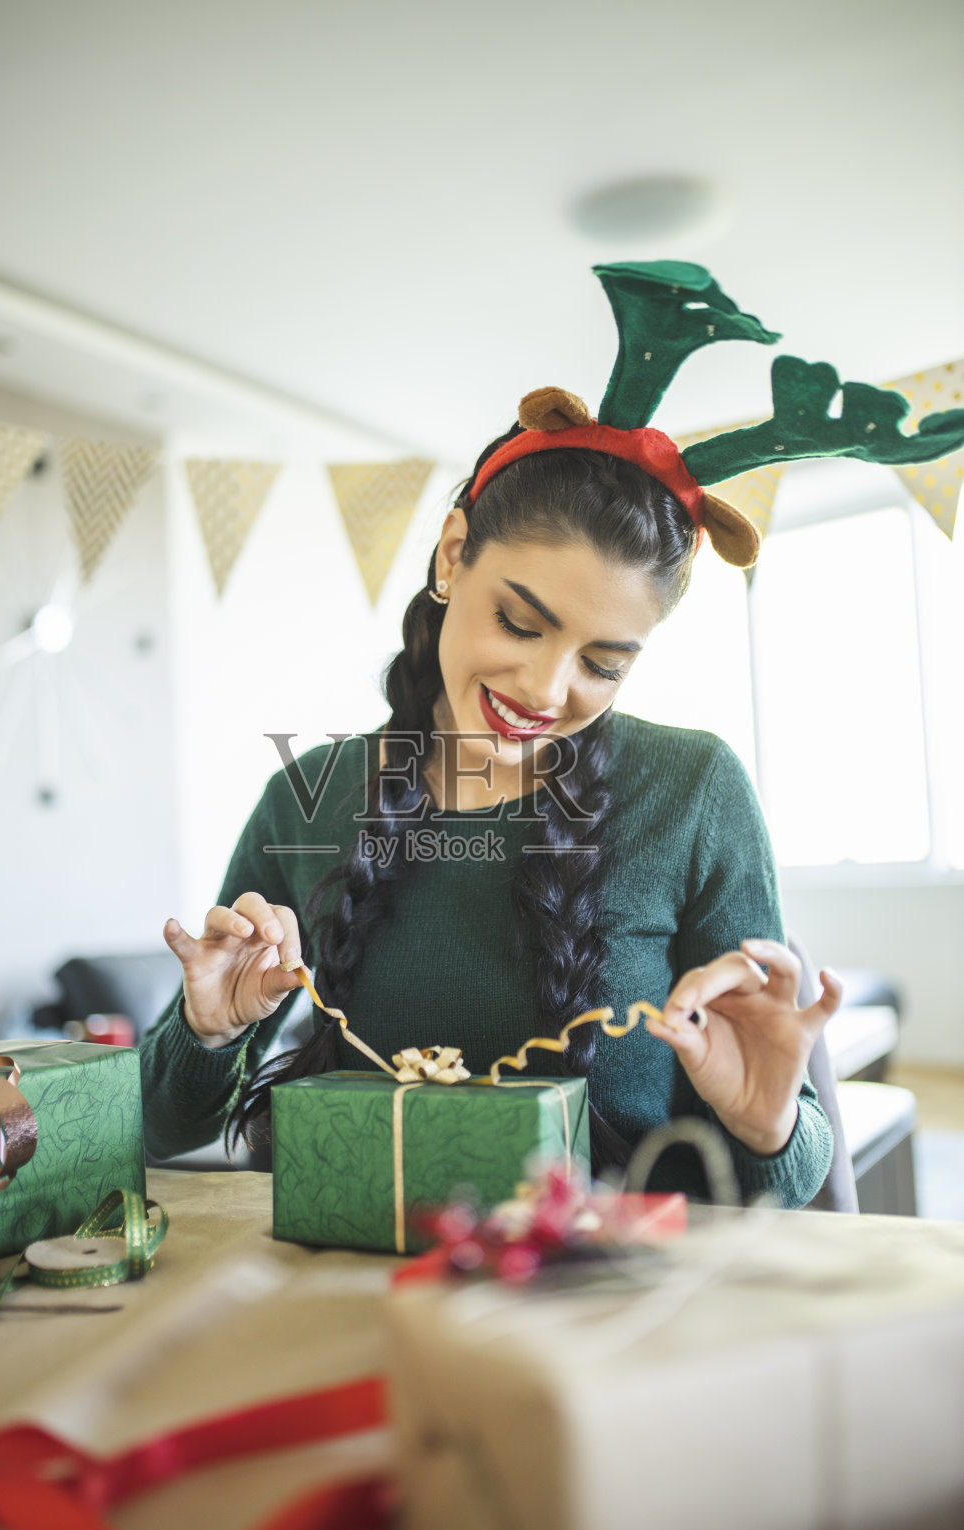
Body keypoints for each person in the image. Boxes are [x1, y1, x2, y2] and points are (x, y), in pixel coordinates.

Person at [139, 426, 841, 1205]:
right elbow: (160, 1129)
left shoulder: (693, 788)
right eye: (519, 622)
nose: (545, 690)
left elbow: (795, 1178)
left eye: (601, 665)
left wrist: (767, 1122)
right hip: (357, 1291)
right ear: (451, 556)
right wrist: (210, 1032)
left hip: (619, 1299)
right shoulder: (307, 796)